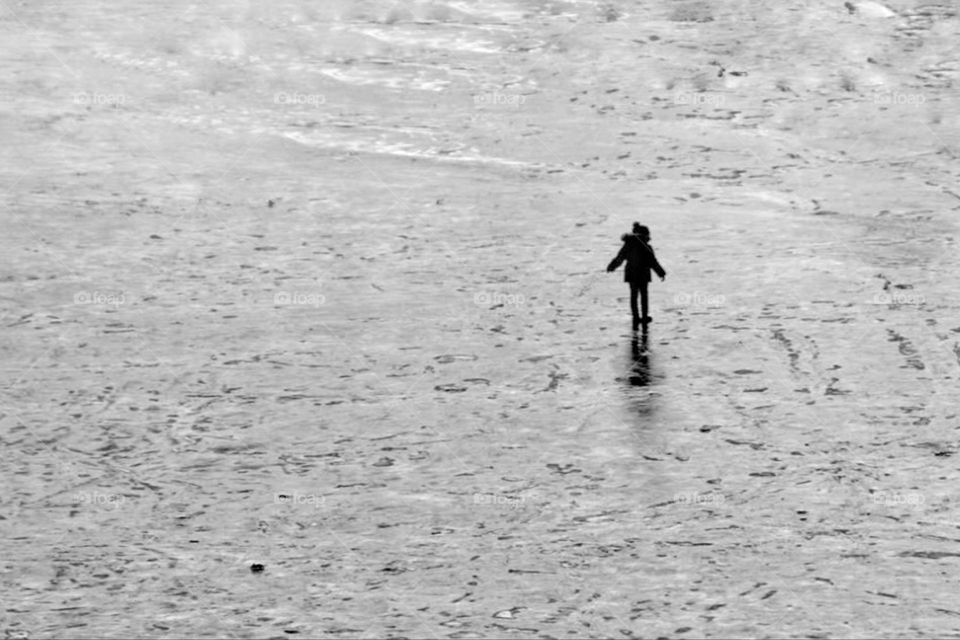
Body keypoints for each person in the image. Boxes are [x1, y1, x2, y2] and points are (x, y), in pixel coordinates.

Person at [606, 223, 666, 330]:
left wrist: (611, 267)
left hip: (631, 274)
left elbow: (619, 258)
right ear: (645, 235)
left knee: (634, 296)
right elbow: (653, 262)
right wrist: (661, 273)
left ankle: (636, 317)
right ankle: (644, 317)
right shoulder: (646, 247)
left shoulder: (628, 245)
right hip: (643, 274)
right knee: (644, 295)